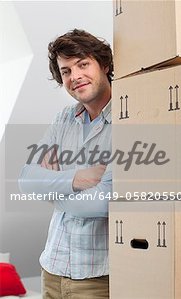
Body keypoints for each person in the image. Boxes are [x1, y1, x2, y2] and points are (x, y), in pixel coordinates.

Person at [18, 29, 113, 298]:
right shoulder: (63, 119)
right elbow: (26, 179)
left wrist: (49, 187)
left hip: (96, 277)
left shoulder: (129, 118)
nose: (75, 76)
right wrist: (77, 179)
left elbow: (103, 201)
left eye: (83, 64)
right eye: (66, 71)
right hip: (52, 266)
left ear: (104, 65)